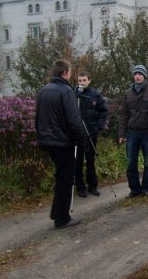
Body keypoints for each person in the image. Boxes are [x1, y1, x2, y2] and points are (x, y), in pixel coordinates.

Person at [35, 59, 88, 229]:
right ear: (64, 73)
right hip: (63, 142)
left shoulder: (44, 90)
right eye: (70, 72)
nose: (70, 75)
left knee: (60, 176)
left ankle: (57, 212)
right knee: (65, 179)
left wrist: (41, 137)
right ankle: (62, 218)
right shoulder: (66, 91)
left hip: (48, 141)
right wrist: (83, 140)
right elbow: (74, 119)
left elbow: (37, 117)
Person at [118, 65, 148, 198]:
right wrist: (121, 134)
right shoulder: (128, 93)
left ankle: (145, 188)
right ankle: (134, 189)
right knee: (131, 162)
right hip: (132, 132)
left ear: (144, 76)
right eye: (135, 74)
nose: (137, 76)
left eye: (140, 74)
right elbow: (124, 115)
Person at [75, 71, 108, 198]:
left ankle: (92, 185)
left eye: (84, 80)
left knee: (90, 160)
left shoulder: (95, 95)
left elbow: (103, 111)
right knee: (78, 161)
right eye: (80, 80)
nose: (82, 83)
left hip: (91, 132)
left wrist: (98, 127)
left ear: (89, 80)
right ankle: (80, 187)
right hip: (78, 133)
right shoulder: (74, 94)